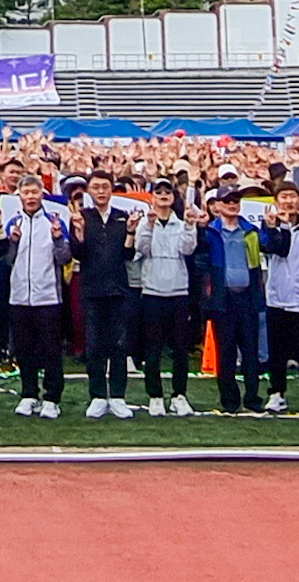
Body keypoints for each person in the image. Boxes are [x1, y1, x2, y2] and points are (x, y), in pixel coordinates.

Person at [0, 178, 71, 419]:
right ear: (19, 195)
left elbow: (64, 258)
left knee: (51, 350)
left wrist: (59, 238)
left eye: (34, 192)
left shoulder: (54, 221)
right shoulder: (14, 222)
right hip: (19, 297)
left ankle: (52, 397)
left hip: (48, 296)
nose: (30, 197)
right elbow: (6, 260)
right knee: (24, 350)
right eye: (26, 192)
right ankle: (29, 394)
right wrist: (12, 242)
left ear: (42, 194)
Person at [71, 176, 136, 419]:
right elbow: (77, 254)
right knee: (94, 345)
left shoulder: (122, 215)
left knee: (119, 345)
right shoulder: (83, 216)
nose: (100, 191)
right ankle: (98, 395)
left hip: (118, 289)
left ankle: (118, 396)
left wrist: (130, 232)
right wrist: (78, 233)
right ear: (89, 190)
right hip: (92, 290)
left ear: (111, 190)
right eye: (96, 187)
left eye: (105, 187)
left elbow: (128, 254)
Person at [194, 188, 265, 413]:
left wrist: (272, 226)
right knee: (226, 352)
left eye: (235, 201)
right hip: (222, 299)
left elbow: (270, 244)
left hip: (247, 296)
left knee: (251, 352)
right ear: (218, 204)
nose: (232, 204)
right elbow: (198, 258)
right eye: (227, 201)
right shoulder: (210, 232)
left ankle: (253, 398)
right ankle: (230, 400)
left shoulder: (250, 230)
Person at [131, 180, 197, 415]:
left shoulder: (181, 223)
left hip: (178, 293)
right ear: (152, 197)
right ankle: (155, 395)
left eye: (167, 192)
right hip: (152, 293)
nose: (163, 196)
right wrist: (148, 226)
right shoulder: (144, 223)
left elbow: (188, 249)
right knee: (153, 349)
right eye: (158, 192)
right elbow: (141, 248)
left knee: (180, 349)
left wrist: (190, 226)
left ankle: (179, 395)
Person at [257, 183, 299, 414]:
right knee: (277, 351)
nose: (288, 202)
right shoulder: (267, 228)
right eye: (283, 197)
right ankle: (277, 393)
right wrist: (279, 227)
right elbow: (278, 248)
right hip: (276, 298)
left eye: (292, 197)